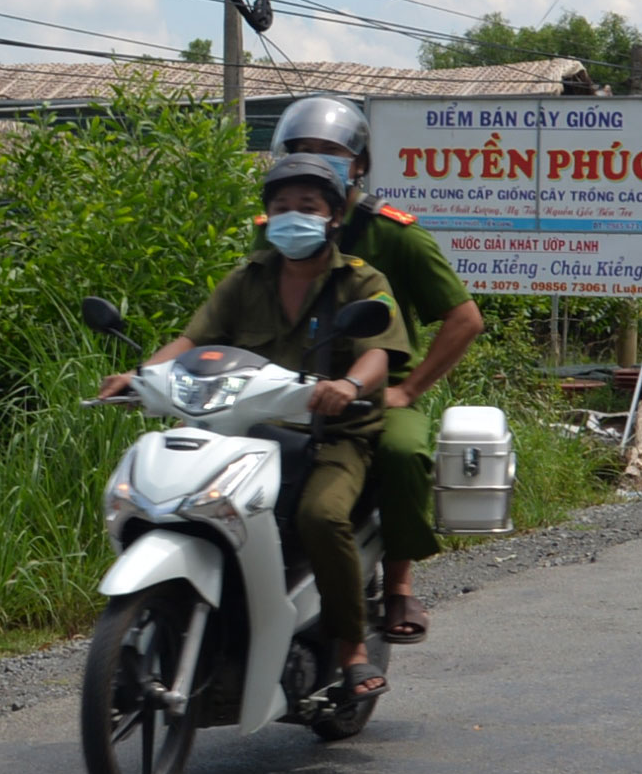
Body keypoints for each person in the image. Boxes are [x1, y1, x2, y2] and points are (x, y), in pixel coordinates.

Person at [101, 153, 412, 702]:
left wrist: (348, 386)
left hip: (332, 435)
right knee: (172, 499)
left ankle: (351, 651)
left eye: (308, 207)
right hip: (242, 429)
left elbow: (377, 356)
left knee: (320, 516)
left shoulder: (364, 281)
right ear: (267, 215)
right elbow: (192, 341)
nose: (294, 215)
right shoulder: (247, 279)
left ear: (334, 217)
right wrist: (141, 375)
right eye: (282, 206)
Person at [260, 95, 483, 646]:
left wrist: (409, 389)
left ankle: (401, 583)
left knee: (403, 453)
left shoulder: (395, 234)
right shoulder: (277, 227)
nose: (315, 159)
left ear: (358, 163)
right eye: (303, 150)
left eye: (330, 151)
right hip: (288, 389)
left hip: (373, 390)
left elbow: (464, 319)